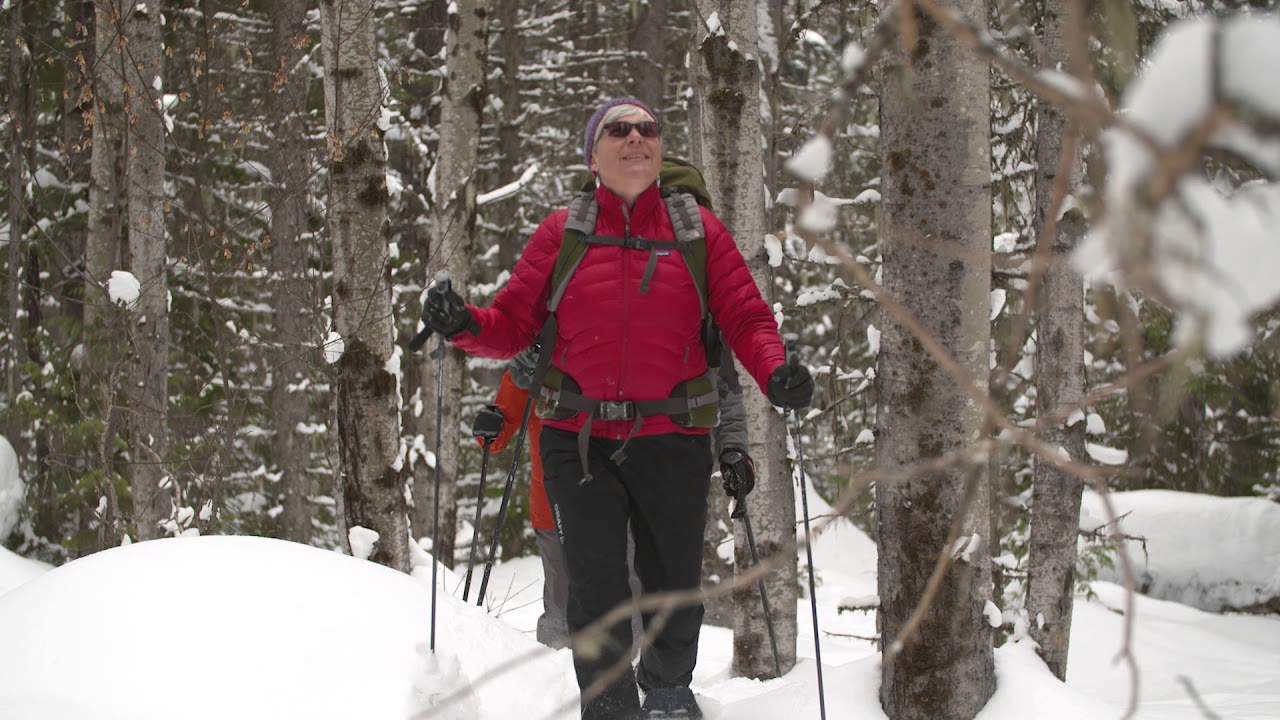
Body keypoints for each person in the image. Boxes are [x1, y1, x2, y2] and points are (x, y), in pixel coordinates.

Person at [423, 97, 813, 720]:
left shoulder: (698, 231)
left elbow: (746, 316)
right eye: (619, 130)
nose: (636, 138)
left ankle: (664, 693)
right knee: (595, 589)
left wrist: (776, 373)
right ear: (594, 155)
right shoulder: (563, 232)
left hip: (674, 435)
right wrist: (462, 323)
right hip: (578, 436)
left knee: (674, 589)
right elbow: (513, 326)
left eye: (648, 130)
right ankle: (608, 708)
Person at [485, 340, 753, 654]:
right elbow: (502, 419)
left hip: (619, 497)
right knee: (562, 607)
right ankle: (556, 677)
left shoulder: (624, 346)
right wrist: (490, 424)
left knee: (629, 599)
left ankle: (631, 675)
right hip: (554, 506)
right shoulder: (544, 351)